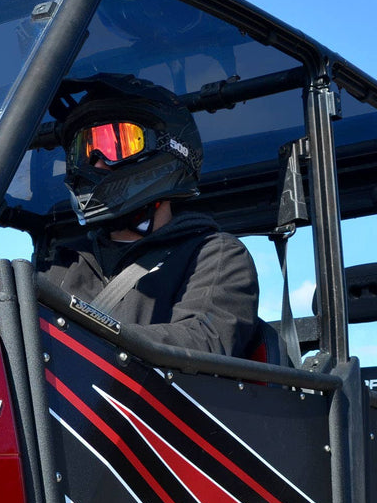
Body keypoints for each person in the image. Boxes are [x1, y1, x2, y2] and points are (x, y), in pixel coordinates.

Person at [36, 74, 259, 357]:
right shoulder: (66, 263)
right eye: (85, 150)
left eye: (117, 144)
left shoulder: (215, 254)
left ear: (168, 148)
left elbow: (204, 341)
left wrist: (65, 336)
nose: (96, 162)